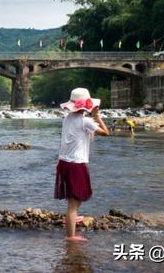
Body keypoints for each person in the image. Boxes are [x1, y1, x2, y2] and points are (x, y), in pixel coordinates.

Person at [55, 88, 109, 241]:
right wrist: (97, 116)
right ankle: (71, 237)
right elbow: (106, 133)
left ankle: (72, 218)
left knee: (74, 198)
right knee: (74, 202)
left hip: (64, 162)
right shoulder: (86, 121)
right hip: (75, 164)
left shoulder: (67, 118)